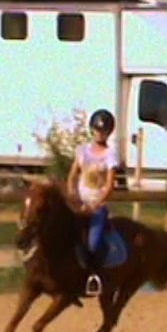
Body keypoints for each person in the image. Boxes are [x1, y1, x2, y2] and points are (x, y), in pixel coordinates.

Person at [67, 109, 119, 296]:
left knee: (93, 242)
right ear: (92, 130)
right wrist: (73, 195)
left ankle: (93, 275)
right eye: (97, 130)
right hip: (80, 205)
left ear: (109, 133)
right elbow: (73, 175)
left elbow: (109, 185)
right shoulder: (82, 152)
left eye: (103, 131)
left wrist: (98, 202)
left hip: (97, 207)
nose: (100, 134)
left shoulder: (110, 155)